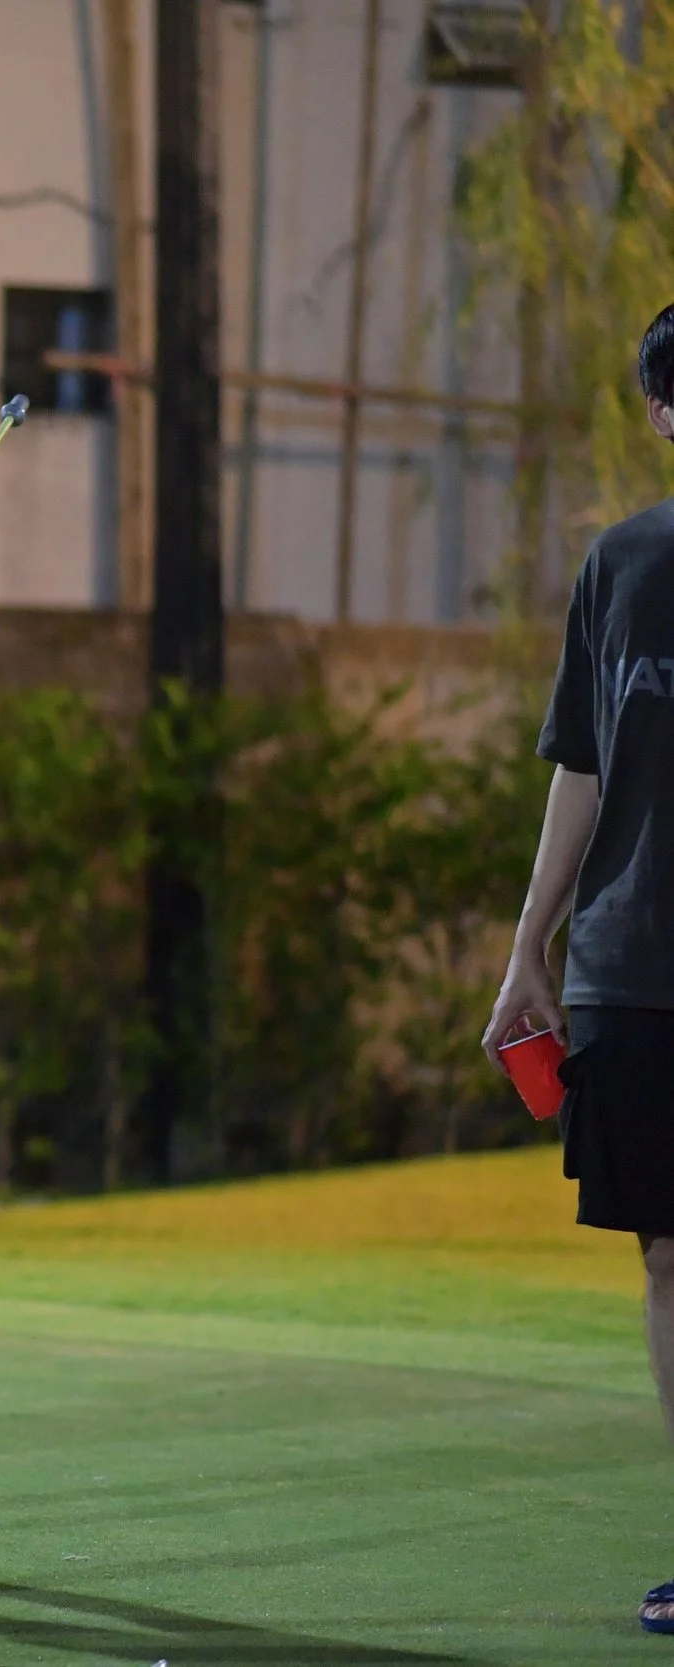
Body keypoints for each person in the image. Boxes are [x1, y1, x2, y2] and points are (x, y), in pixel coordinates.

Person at [482, 302, 674, 1637]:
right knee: (670, 1254)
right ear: (663, 412)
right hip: (637, 961)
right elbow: (584, 762)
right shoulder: (622, 564)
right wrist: (530, 939)